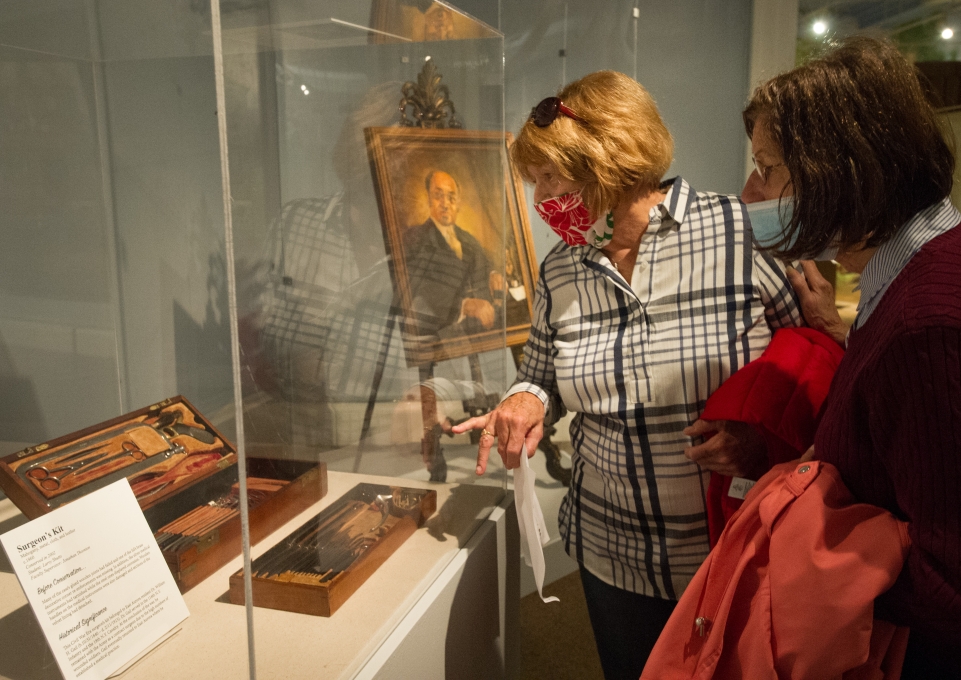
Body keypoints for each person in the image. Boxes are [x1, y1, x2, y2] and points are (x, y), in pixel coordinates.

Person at [454, 70, 803, 678]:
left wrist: (764, 439)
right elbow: (539, 374)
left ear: (606, 161)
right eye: (533, 181)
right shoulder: (562, 269)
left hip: (733, 543)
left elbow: (811, 366)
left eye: (550, 177)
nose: (539, 201)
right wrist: (525, 402)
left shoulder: (738, 233)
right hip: (608, 549)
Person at [741, 36, 961, 678]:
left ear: (846, 167)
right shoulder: (909, 275)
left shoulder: (929, 320)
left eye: (769, 168)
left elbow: (949, 583)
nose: (751, 192)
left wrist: (811, 555)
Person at [403, 170, 504, 338]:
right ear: (428, 199)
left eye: (451, 197)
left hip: (483, 332)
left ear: (458, 203)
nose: (445, 204)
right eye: (438, 196)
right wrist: (464, 306)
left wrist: (494, 274)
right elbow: (421, 291)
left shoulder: (468, 238)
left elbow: (486, 263)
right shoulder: (414, 238)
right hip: (445, 337)